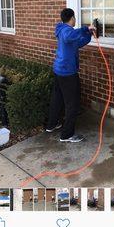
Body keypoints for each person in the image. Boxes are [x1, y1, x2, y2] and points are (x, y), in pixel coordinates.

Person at [46, 8, 95, 143]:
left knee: (58, 99)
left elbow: (78, 43)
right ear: (72, 18)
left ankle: (52, 124)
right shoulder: (67, 31)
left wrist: (89, 34)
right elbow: (71, 35)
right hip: (67, 73)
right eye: (74, 18)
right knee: (72, 103)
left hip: (59, 70)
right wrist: (86, 28)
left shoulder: (62, 30)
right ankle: (67, 135)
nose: (75, 20)